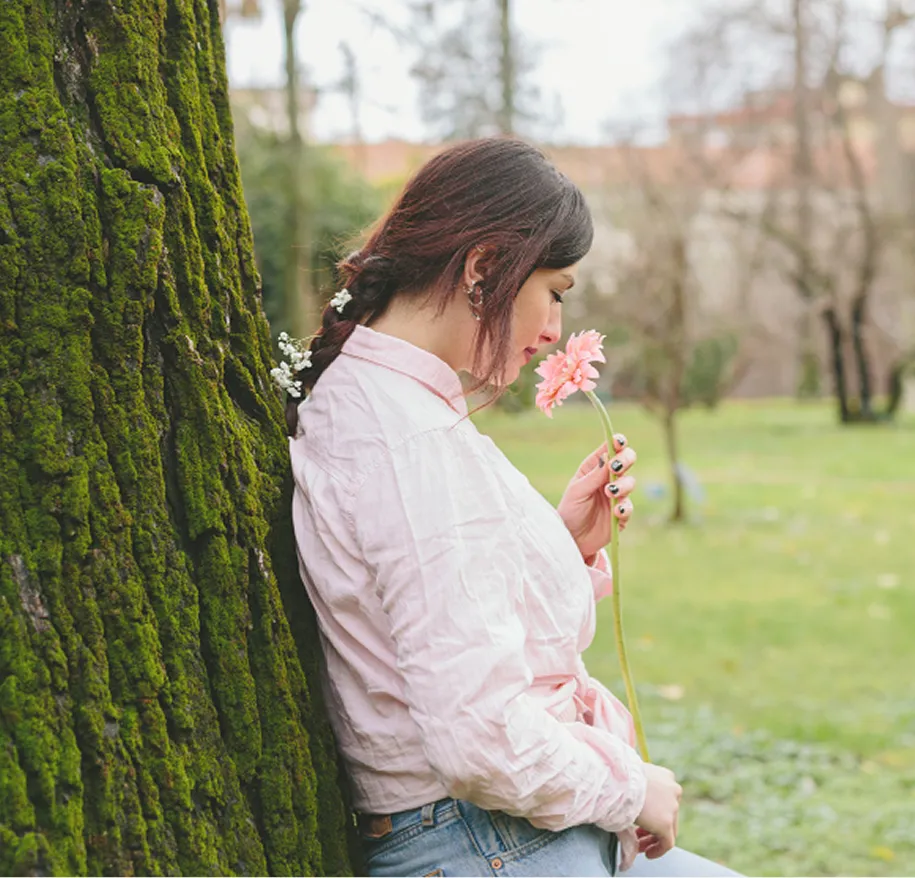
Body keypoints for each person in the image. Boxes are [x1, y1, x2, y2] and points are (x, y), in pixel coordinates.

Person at [284, 138, 738, 877]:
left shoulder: (395, 406)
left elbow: (433, 608)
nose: (556, 329)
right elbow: (479, 738)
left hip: (502, 835)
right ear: (484, 267)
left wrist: (563, 544)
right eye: (555, 290)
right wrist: (632, 789)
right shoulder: (410, 442)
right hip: (484, 841)